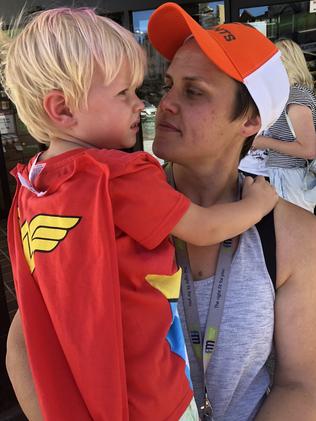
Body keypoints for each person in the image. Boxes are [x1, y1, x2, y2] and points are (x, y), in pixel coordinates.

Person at [1, 6, 278, 421]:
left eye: (194, 90)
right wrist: (257, 204)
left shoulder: (37, 187)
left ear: (252, 119)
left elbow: (303, 383)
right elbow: (202, 229)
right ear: (62, 109)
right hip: (153, 400)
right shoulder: (118, 175)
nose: (155, 103)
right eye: (125, 93)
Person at [252, 39, 316, 212]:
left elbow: (309, 149)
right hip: (290, 175)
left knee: (296, 232)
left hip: (292, 176)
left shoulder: (296, 95)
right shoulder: (294, 93)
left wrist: (262, 142)